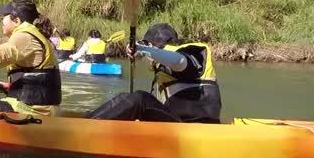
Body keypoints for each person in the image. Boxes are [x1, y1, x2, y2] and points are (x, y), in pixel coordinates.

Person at [85, 23, 221, 123]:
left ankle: (86, 126)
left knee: (140, 99)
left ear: (151, 46)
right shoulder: (164, 65)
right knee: (131, 99)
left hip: (197, 126)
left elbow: (179, 61)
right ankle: (90, 118)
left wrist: (143, 49)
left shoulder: (188, 52)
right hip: (180, 124)